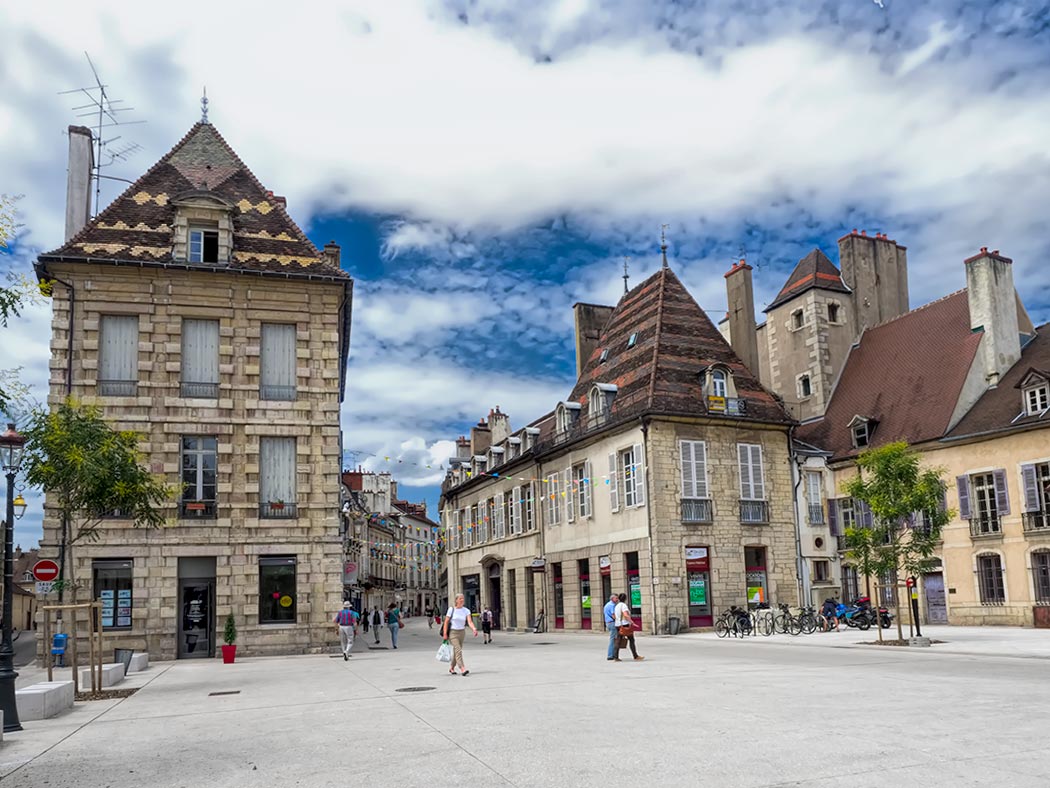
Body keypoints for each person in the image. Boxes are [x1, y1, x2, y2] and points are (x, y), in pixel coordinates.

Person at [442, 593, 478, 675]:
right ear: (456, 600)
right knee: (458, 650)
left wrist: (474, 628)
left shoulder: (466, 610)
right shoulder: (451, 610)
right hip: (453, 632)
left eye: (463, 598)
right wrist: (445, 634)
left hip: (462, 632)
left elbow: (469, 621)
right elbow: (446, 622)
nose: (462, 600)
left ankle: (451, 667)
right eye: (460, 598)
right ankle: (462, 668)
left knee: (456, 651)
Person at [612, 593, 643, 662]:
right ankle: (635, 655)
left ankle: (615, 657)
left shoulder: (617, 606)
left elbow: (614, 615)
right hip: (624, 625)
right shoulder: (624, 606)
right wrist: (632, 622)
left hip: (618, 624)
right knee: (631, 640)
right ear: (625, 599)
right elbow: (626, 615)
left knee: (618, 640)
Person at [603, 593, 619, 661]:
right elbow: (613, 615)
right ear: (612, 599)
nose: (617, 599)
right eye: (616, 598)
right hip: (612, 623)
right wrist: (618, 621)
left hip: (608, 622)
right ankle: (610, 655)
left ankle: (612, 654)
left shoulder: (607, 605)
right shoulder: (612, 605)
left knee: (612, 638)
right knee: (613, 639)